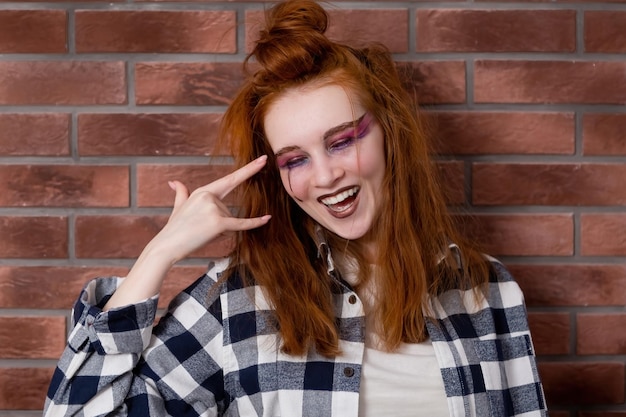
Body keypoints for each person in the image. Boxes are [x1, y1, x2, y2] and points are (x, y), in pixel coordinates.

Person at [44, 0, 547, 415]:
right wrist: (159, 254)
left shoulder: (490, 293)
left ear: (390, 133)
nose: (326, 177)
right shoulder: (240, 300)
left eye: (343, 140)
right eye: (295, 159)